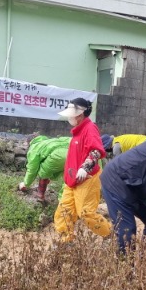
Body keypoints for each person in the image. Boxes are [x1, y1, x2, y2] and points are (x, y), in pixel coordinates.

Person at [54, 98, 112, 242]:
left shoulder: (90, 128)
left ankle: (110, 234)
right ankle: (66, 241)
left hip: (87, 179)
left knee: (86, 214)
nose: (69, 117)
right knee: (63, 212)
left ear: (80, 114)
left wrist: (85, 167)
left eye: (71, 114)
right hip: (72, 180)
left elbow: (96, 150)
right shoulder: (77, 132)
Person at [18, 134, 71, 201]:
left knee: (43, 171)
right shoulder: (50, 141)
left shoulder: (34, 147)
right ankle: (64, 201)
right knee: (68, 180)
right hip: (73, 154)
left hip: (57, 156)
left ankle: (40, 194)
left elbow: (32, 169)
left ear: (30, 142)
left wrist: (25, 183)